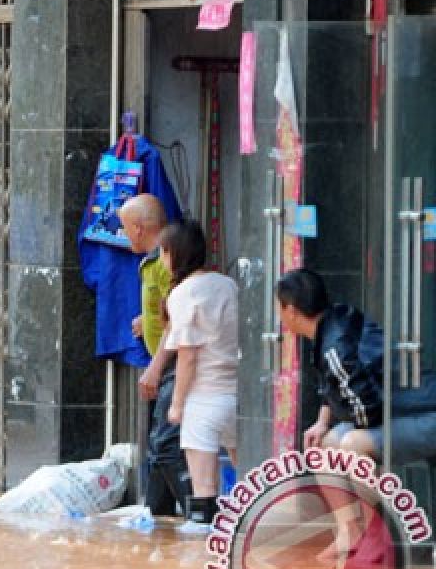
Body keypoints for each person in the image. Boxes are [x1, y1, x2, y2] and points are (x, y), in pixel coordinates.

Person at [277, 268, 436, 464]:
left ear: (291, 311)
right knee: (325, 446)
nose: (278, 315)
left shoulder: (336, 346)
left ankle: (374, 495)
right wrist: (322, 422)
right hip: (398, 414)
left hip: (425, 414)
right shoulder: (334, 323)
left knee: (353, 445)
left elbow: (368, 413)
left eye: (279, 307)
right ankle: (359, 496)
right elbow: (334, 384)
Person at [161, 219, 239, 531]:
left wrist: (177, 405)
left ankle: (205, 563)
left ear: (173, 254)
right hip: (236, 395)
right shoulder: (227, 284)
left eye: (162, 254)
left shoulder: (182, 294)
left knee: (204, 495)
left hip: (204, 400)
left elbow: (188, 356)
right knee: (249, 478)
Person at [118, 194, 191, 517]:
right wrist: (145, 320)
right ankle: (157, 517)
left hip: (175, 364)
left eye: (124, 228)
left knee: (164, 443)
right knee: (160, 443)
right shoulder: (150, 263)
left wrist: (155, 368)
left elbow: (178, 319)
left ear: (137, 228)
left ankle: (201, 513)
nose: (123, 235)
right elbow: (164, 310)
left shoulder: (165, 260)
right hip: (166, 363)